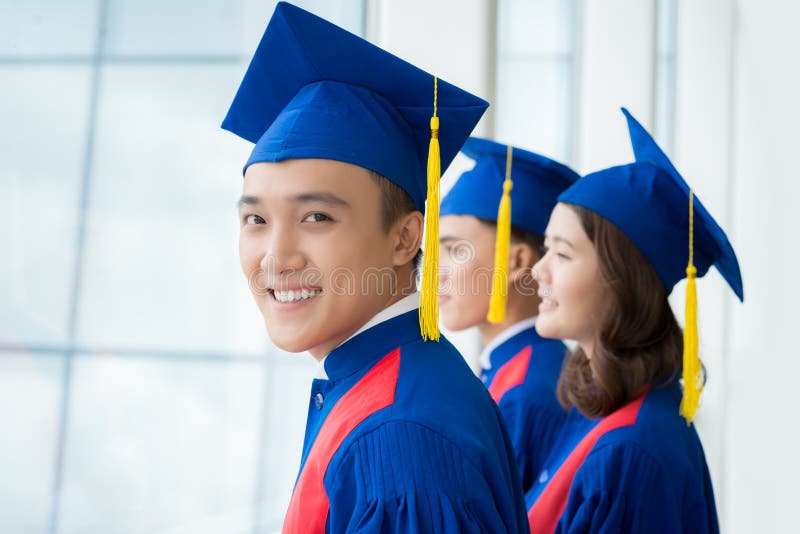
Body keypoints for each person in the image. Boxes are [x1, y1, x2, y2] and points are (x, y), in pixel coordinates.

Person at [222, 3, 528, 532]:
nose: (275, 256)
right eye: (255, 218)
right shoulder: (395, 379)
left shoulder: (399, 438)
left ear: (405, 238)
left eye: (316, 216)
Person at [525, 108, 743, 533]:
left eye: (563, 254)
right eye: (545, 248)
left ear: (621, 280)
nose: (538, 271)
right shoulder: (596, 408)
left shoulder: (631, 451)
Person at [438, 137, 578, 492]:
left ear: (516, 261)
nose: (435, 273)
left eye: (455, 250)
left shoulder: (528, 391)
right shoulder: (516, 368)